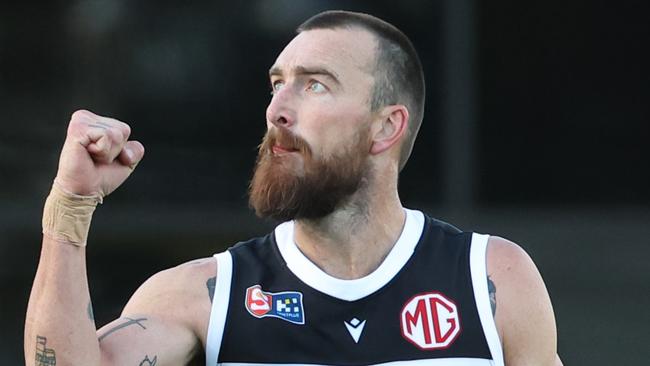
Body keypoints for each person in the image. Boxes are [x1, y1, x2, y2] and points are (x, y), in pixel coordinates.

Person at [25, 10, 562, 366]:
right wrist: (70, 208)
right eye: (277, 84)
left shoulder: (491, 277)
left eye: (314, 85)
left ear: (386, 127)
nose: (277, 110)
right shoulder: (207, 293)